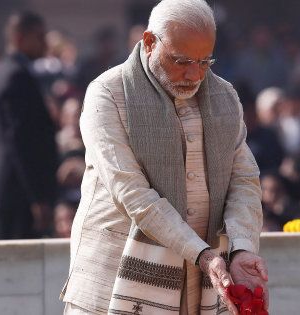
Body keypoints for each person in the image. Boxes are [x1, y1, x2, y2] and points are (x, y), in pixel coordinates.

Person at [60, 1, 268, 314]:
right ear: (148, 43)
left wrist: (241, 247)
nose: (194, 74)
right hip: (113, 280)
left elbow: (244, 180)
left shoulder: (224, 97)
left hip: (203, 279)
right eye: (181, 61)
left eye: (204, 61)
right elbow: (130, 191)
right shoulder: (108, 93)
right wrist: (202, 253)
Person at [0, 11, 59, 239]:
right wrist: (37, 197)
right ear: (20, 39)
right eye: (40, 36)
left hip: (0, 189)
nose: (46, 43)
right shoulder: (16, 77)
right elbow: (21, 142)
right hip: (18, 193)